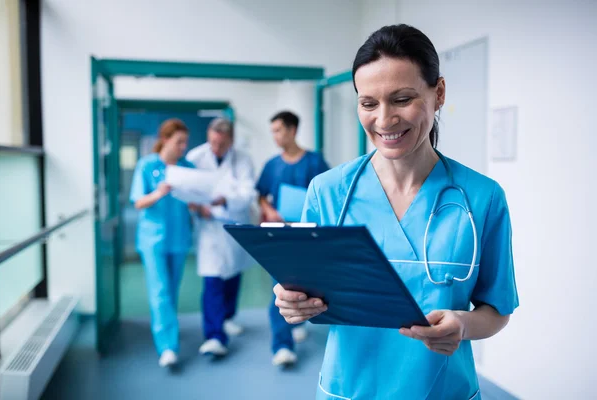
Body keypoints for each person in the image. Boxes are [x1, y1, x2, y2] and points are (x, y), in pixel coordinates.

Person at [273, 24, 519, 399]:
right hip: (349, 389)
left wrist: (465, 325)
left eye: (402, 99)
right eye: (368, 103)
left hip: (442, 390)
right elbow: (307, 294)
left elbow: (497, 310)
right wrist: (291, 302)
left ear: (438, 93)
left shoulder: (483, 198)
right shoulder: (327, 192)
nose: (384, 120)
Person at [256, 110, 329, 367]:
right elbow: (261, 194)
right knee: (281, 287)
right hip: (280, 235)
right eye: (273, 131)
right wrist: (268, 209)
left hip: (307, 234)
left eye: (278, 130)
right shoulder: (272, 165)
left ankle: (295, 321)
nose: (275, 136)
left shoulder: (315, 162)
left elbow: (326, 195)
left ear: (292, 130)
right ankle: (282, 345)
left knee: (304, 286)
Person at [186, 118, 256, 357]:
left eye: (222, 144)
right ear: (208, 135)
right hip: (209, 230)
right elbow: (185, 191)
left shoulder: (243, 160)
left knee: (232, 276)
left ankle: (227, 317)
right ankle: (215, 336)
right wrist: (197, 207)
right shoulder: (195, 157)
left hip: (233, 225)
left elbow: (247, 194)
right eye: (213, 142)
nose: (216, 148)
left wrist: (226, 199)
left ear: (231, 141)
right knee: (213, 281)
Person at [129, 118, 195, 369]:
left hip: (179, 238)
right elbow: (138, 202)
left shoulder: (186, 166)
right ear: (165, 139)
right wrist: (159, 192)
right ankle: (167, 347)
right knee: (160, 292)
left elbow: (192, 199)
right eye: (179, 141)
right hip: (153, 239)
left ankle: (168, 334)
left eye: (185, 142)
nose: (183, 147)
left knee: (171, 291)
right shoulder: (147, 165)